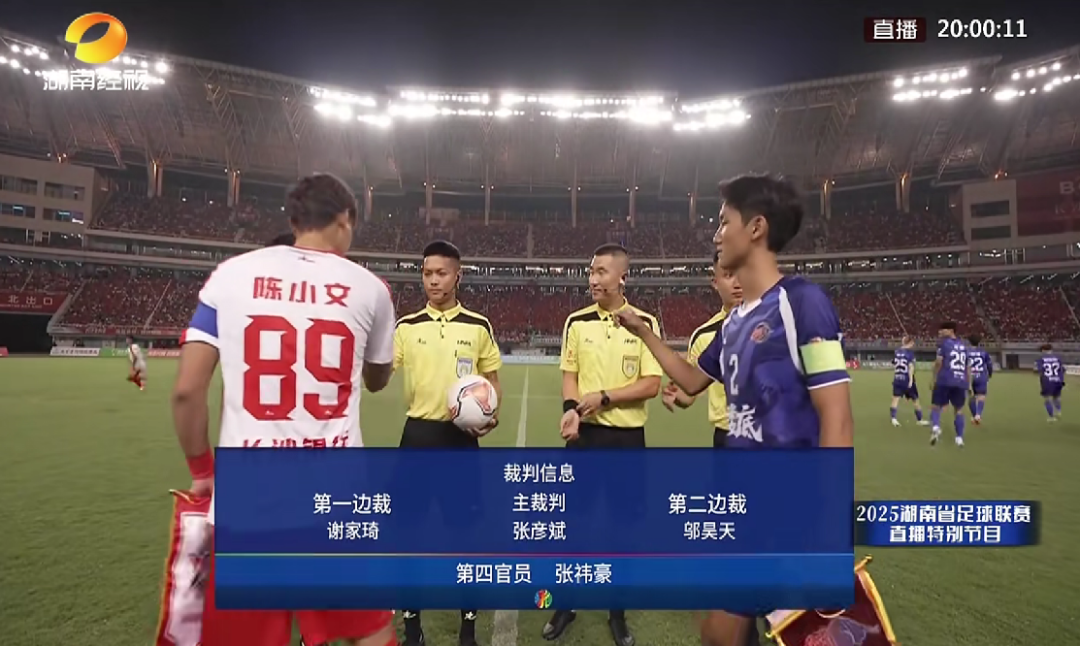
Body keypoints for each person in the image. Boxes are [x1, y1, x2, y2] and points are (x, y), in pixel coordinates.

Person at [613, 174, 853, 646]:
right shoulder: (734, 324)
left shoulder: (804, 304)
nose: (716, 234)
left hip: (791, 508)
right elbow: (690, 381)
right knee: (721, 633)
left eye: (724, 222)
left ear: (756, 228)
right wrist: (643, 332)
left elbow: (837, 415)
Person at [171, 173, 397, 646]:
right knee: (369, 633)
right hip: (338, 498)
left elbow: (187, 391)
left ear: (294, 221)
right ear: (345, 220)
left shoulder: (230, 275)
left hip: (248, 501)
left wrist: (202, 472)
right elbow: (378, 378)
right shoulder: (371, 288)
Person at [542, 243, 661, 646]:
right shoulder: (576, 322)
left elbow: (651, 384)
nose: (593, 279)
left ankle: (617, 614)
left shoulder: (644, 323)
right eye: (591, 271)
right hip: (584, 439)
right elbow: (570, 375)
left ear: (622, 277)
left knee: (622, 531)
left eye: (601, 272)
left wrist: (605, 398)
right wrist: (571, 410)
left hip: (627, 440)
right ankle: (566, 604)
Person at [393, 239, 502, 646]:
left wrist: (490, 414)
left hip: (460, 442)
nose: (433, 280)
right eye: (427, 273)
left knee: (465, 537)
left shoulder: (478, 326)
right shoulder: (406, 327)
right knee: (408, 537)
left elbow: (492, 381)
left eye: (441, 273)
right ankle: (413, 628)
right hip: (417, 437)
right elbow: (380, 373)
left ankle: (467, 629)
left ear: (458, 275)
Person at [662, 251, 742, 447]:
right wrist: (677, 396)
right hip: (727, 436)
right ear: (715, 282)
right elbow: (691, 392)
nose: (737, 283)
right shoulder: (704, 336)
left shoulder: (778, 321)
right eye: (728, 275)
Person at [930, 322, 969, 447]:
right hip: (961, 381)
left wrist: (934, 378)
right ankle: (959, 438)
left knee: (936, 406)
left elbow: (938, 362)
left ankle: (936, 427)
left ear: (951, 331)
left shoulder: (944, 344)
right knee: (959, 410)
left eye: (943, 329)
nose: (940, 332)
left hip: (945, 379)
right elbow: (967, 367)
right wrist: (967, 383)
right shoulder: (963, 346)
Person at [889, 336, 928, 427]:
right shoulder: (910, 353)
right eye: (912, 343)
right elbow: (911, 367)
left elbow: (894, 363)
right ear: (910, 343)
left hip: (897, 378)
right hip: (906, 379)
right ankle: (919, 419)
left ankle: (893, 419)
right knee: (915, 400)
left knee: (895, 399)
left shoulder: (897, 352)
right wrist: (910, 380)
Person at [1035, 343, 1065, 422]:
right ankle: (1058, 412)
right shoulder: (1058, 358)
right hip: (1058, 380)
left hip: (1047, 381)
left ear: (1043, 350)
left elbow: (1039, 370)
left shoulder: (1041, 359)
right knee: (1057, 397)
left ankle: (1051, 417)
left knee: (1047, 399)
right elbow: (1063, 370)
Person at [967, 335, 992, 424]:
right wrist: (990, 374)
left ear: (969, 342)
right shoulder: (984, 352)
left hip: (970, 376)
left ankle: (975, 416)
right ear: (979, 342)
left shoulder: (966, 352)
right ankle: (978, 415)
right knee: (981, 396)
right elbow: (989, 365)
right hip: (981, 375)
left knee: (971, 397)